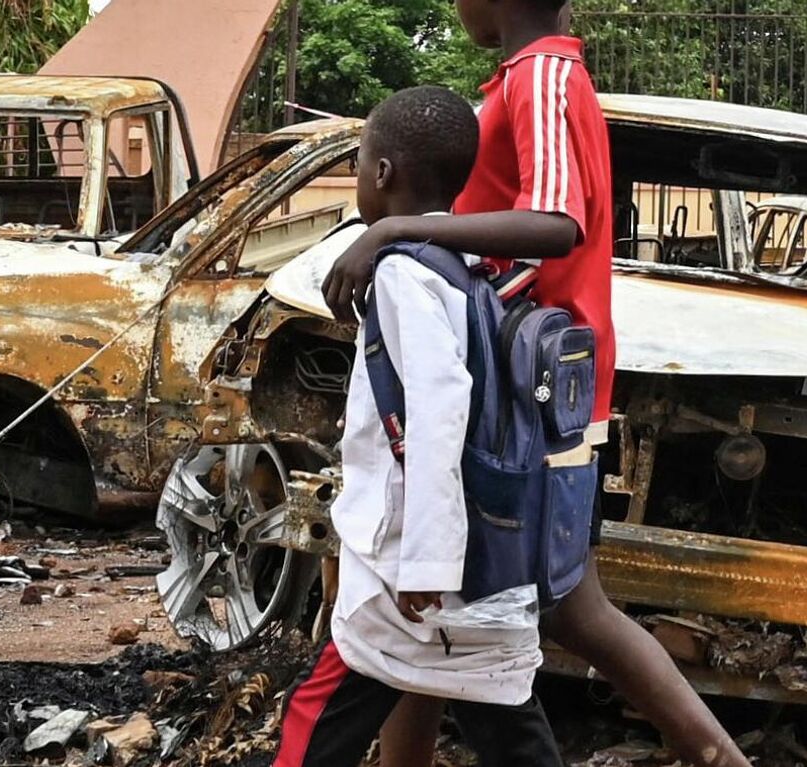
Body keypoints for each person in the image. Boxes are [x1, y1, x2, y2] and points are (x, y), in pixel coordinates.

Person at [319, 1, 753, 766]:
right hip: (511, 389)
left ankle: (716, 754)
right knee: (444, 609)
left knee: (570, 606)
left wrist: (392, 229)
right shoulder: (523, 78)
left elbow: (555, 222)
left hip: (528, 398)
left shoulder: (545, 74)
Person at [274, 85, 563, 767]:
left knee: (315, 720)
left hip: (410, 569)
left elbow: (438, 409)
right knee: (512, 732)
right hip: (484, 566)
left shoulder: (405, 273)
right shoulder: (466, 270)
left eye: (359, 160)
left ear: (381, 174)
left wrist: (428, 560)